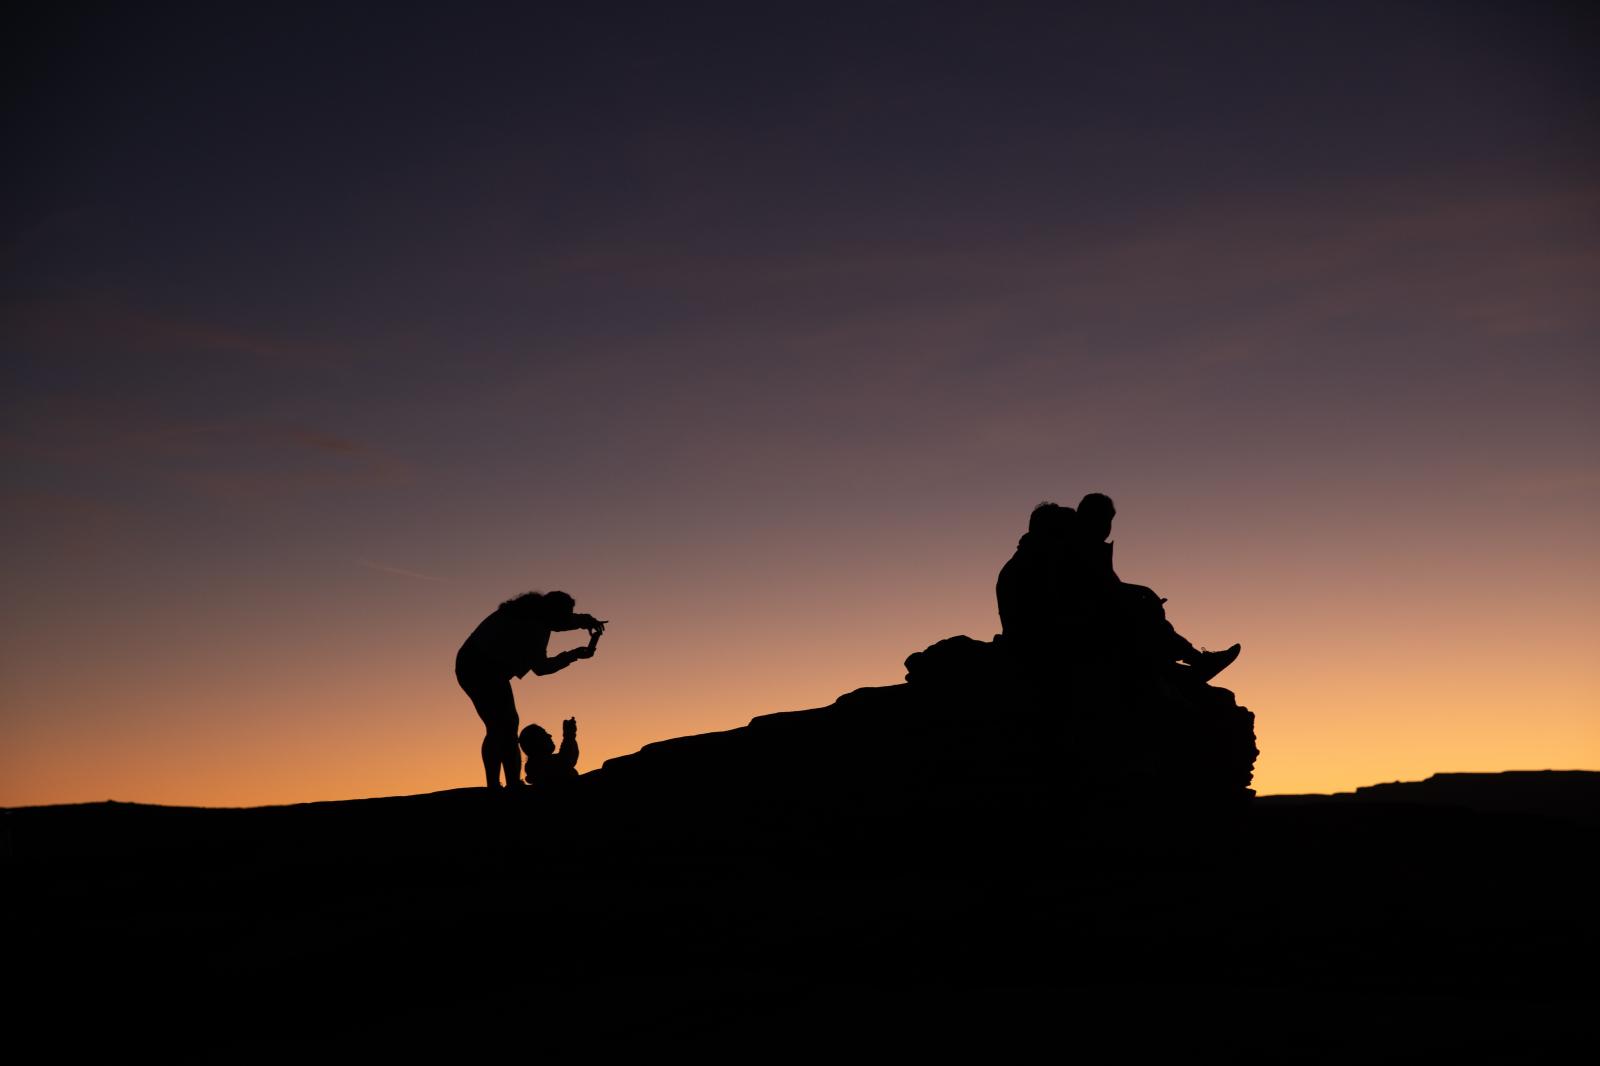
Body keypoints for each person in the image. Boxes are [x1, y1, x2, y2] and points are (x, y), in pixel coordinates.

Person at [1072, 493, 1240, 681]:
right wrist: (1142, 595)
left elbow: (1109, 586)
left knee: (1145, 610)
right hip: (1086, 617)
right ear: (1087, 516)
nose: (1106, 527)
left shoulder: (1089, 546)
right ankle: (1196, 661)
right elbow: (1097, 588)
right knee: (1143, 612)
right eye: (1102, 519)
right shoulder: (1076, 546)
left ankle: (1188, 664)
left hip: (1097, 613)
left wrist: (1142, 594)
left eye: (1108, 521)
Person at [455, 591, 604, 790]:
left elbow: (559, 622)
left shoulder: (531, 612)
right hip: (481, 669)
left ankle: (504, 783)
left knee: (503, 725)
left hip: (476, 666)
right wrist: (573, 654)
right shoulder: (534, 626)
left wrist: (584, 621)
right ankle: (506, 784)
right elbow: (541, 668)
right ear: (553, 612)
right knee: (503, 725)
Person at [521, 717, 579, 787]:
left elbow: (567, 758)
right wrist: (569, 735)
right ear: (537, 742)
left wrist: (569, 736)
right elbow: (565, 760)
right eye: (544, 734)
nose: (550, 735)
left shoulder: (534, 766)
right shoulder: (538, 765)